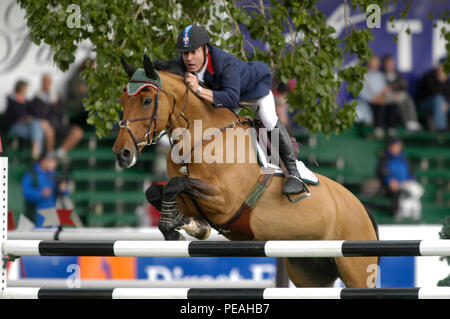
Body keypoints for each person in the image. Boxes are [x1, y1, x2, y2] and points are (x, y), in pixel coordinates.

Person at [174, 25, 306, 196]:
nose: (189, 58)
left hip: (253, 90)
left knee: (267, 118)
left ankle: (294, 174)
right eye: (185, 53)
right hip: (228, 95)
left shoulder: (224, 62)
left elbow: (231, 98)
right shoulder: (184, 62)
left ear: (206, 50)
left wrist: (198, 90)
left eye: (194, 52)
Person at [30, 74, 83, 159]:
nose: (47, 84)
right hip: (46, 125)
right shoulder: (37, 97)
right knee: (49, 131)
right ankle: (49, 156)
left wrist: (49, 109)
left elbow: (61, 111)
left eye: (48, 82)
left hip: (58, 124)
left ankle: (60, 152)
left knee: (77, 132)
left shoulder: (56, 96)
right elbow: (37, 113)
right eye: (45, 82)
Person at [1, 80, 54, 159]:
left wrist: (34, 119)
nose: (26, 90)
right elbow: (17, 116)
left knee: (37, 126)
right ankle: (38, 155)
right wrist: (29, 119)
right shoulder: (11, 100)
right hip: (13, 126)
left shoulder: (27, 100)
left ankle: (36, 153)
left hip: (28, 126)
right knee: (38, 128)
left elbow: (35, 113)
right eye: (25, 88)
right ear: (20, 88)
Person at [376, 137, 424, 221]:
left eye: (398, 145)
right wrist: (389, 180)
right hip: (392, 185)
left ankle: (413, 214)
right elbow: (382, 172)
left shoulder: (404, 158)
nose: (396, 148)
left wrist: (412, 179)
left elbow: (411, 172)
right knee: (400, 192)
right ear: (390, 146)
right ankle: (399, 214)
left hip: (405, 183)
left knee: (417, 190)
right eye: (394, 145)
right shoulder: (384, 159)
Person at [21, 151, 69, 227]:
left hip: (51, 213)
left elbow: (64, 192)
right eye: (50, 161)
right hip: (35, 215)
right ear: (43, 161)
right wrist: (40, 193)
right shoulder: (32, 174)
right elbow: (26, 193)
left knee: (53, 236)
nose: (53, 164)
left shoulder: (54, 174)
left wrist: (63, 189)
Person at [357, 55, 399, 139]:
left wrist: (391, 96)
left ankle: (392, 129)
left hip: (381, 99)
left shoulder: (380, 75)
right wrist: (374, 99)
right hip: (368, 102)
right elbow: (362, 94)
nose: (375, 65)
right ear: (368, 64)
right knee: (380, 105)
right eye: (373, 63)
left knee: (392, 104)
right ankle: (379, 129)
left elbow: (385, 90)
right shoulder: (362, 76)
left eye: (377, 63)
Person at [381, 55, 421, 132]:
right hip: (386, 97)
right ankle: (408, 123)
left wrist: (393, 87)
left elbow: (403, 84)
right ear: (384, 64)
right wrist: (395, 87)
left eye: (392, 63)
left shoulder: (398, 74)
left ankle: (412, 121)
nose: (391, 65)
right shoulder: (381, 74)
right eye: (388, 63)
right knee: (401, 100)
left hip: (398, 95)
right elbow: (384, 88)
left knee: (407, 99)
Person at [416, 56, 450, 132]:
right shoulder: (429, 76)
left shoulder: (447, 79)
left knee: (441, 102)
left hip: (443, 105)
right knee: (438, 100)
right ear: (439, 66)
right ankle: (441, 129)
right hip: (424, 104)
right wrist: (440, 81)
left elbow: (448, 94)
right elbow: (434, 92)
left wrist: (447, 102)